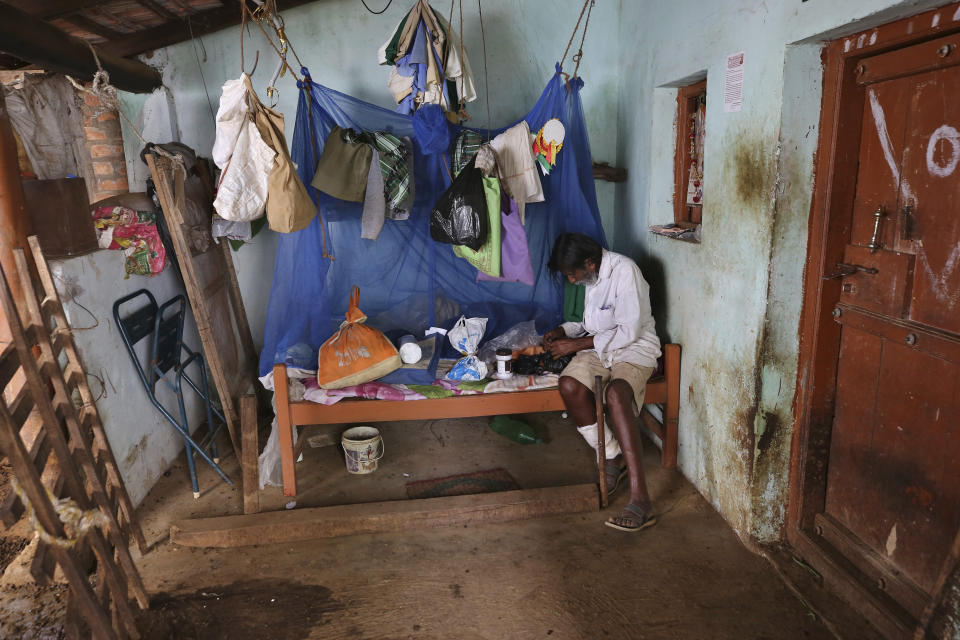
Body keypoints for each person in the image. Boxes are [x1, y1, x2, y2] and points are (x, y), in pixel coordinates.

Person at [543, 233, 661, 532]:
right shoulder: (591, 279)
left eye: (572, 274)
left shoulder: (625, 271)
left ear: (590, 262)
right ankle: (612, 455)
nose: (571, 281)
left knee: (617, 394)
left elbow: (628, 330)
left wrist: (575, 346)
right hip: (599, 348)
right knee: (570, 385)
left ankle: (641, 499)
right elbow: (590, 325)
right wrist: (563, 331)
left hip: (634, 348)